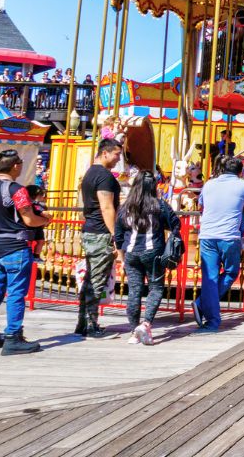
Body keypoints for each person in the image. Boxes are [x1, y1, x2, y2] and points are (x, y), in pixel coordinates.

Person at [0, 149, 51, 355]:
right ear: (16, 166)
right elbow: (28, 219)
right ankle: (13, 336)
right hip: (16, 246)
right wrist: (45, 220)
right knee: (16, 293)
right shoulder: (17, 190)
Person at [115, 171, 180, 345]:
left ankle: (133, 331)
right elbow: (175, 224)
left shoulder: (125, 207)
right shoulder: (160, 205)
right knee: (156, 288)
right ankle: (146, 324)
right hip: (154, 252)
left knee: (134, 291)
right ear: (154, 186)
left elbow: (118, 235)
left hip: (131, 252)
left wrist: (121, 257)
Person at [192, 156, 244, 331]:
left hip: (207, 235)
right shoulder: (243, 185)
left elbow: (201, 206)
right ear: (240, 171)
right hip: (229, 236)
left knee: (210, 278)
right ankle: (204, 306)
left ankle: (210, 317)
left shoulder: (209, 184)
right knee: (231, 272)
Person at [76, 137, 123, 337]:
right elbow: (106, 206)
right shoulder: (104, 176)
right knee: (96, 280)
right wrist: (115, 235)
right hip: (100, 232)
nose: (117, 159)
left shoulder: (89, 173)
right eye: (116, 154)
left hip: (90, 229)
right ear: (105, 153)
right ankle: (90, 324)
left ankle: (83, 322)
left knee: (89, 278)